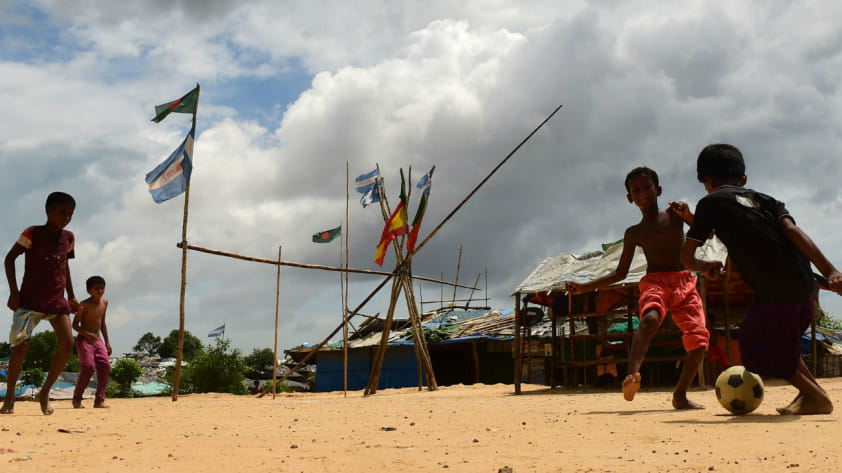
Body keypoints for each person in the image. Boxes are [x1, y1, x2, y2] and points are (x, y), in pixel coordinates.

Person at [681, 143, 842, 415]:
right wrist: (831, 271)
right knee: (784, 347)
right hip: (804, 282)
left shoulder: (711, 203)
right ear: (744, 179)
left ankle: (817, 397)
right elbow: (793, 232)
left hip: (773, 287)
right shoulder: (767, 201)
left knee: (755, 349)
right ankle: (810, 394)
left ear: (708, 182)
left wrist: (702, 266)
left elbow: (686, 256)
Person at [567, 167, 709, 409]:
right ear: (629, 198)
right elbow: (620, 272)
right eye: (636, 190)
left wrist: (688, 216)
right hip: (655, 282)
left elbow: (705, 233)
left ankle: (680, 395)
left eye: (647, 187)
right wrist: (584, 287)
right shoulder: (634, 233)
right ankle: (632, 375)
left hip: (684, 282)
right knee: (649, 319)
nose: (642, 193)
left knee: (699, 343)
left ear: (658, 190)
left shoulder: (674, 216)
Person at [3, 191, 79, 415]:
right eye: (62, 212)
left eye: (70, 214)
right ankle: (9, 396)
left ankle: (44, 393)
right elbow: (9, 259)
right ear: (48, 210)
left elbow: (65, 266)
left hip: (57, 300)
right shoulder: (32, 233)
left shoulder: (69, 238)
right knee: (21, 347)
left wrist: (71, 295)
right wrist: (14, 292)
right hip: (30, 300)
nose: (66, 218)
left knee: (67, 342)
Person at [71, 275, 112, 409]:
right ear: (89, 290)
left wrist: (107, 342)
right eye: (96, 288)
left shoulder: (104, 303)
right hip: (84, 339)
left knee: (105, 366)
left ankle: (99, 400)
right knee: (88, 367)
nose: (100, 291)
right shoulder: (83, 305)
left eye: (102, 288)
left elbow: (102, 323)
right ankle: (77, 398)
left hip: (98, 340)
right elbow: (75, 325)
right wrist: (87, 334)